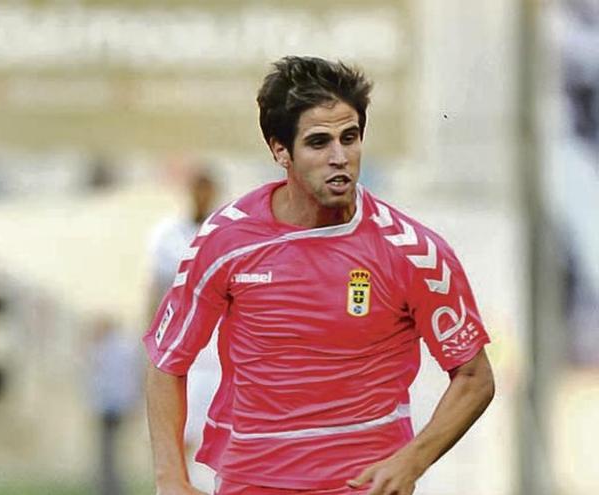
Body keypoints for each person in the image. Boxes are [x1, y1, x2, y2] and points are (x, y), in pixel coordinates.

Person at [143, 56, 495, 495]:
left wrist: (413, 460)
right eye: (318, 142)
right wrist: (170, 479)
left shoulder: (413, 252)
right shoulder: (226, 239)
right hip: (251, 483)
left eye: (350, 138)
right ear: (280, 150)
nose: (339, 157)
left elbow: (474, 376)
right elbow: (166, 362)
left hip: (361, 485)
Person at [146, 169, 222, 492]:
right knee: (182, 437)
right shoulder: (169, 235)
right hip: (184, 356)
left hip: (217, 356)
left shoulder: (223, 233)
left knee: (215, 440)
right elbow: (157, 293)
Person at [88, 315, 142, 495]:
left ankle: (110, 487)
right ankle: (109, 485)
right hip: (116, 404)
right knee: (109, 450)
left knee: (108, 450)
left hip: (111, 405)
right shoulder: (122, 348)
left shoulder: (109, 349)